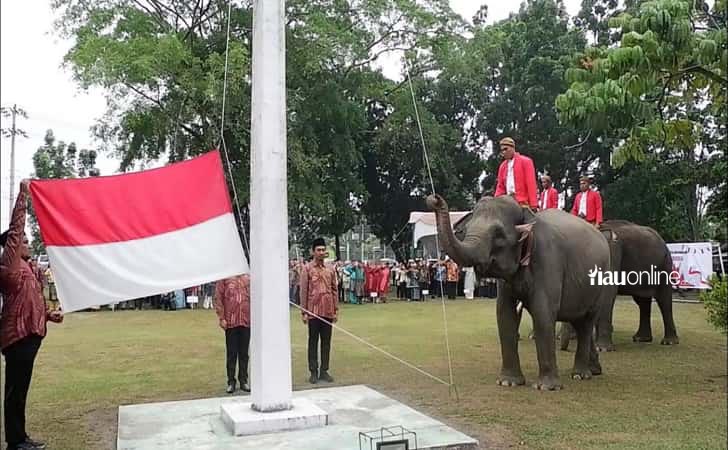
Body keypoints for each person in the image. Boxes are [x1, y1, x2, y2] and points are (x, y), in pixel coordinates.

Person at [1, 180, 64, 450]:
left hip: (32, 336)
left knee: (21, 390)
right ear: (10, 248)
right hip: (17, 337)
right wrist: (23, 196)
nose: (27, 243)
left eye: (27, 241)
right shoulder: (9, 268)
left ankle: (21, 437)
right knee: (15, 390)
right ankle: (15, 441)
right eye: (23, 241)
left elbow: (33, 301)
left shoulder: (29, 268)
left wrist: (49, 315)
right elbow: (15, 231)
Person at [299, 238, 338, 384]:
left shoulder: (330, 269)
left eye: (323, 250)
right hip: (313, 312)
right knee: (313, 341)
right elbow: (303, 291)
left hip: (327, 311)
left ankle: (324, 370)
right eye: (318, 250)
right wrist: (304, 312)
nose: (321, 252)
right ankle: (313, 371)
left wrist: (336, 310)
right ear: (313, 252)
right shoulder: (307, 269)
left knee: (326, 342)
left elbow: (334, 290)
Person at [215, 274, 251, 393]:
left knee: (244, 353)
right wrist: (221, 317)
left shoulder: (248, 277)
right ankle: (231, 381)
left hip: (245, 320)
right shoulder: (225, 277)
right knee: (232, 354)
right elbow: (218, 297)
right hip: (231, 321)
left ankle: (244, 380)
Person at [493, 137, 538, 210]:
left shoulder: (526, 161)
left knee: (531, 220)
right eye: (502, 150)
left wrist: (533, 204)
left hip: (522, 203)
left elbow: (531, 184)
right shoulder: (502, 166)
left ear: (513, 148)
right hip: (506, 202)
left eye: (505, 149)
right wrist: (495, 201)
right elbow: (500, 187)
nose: (503, 152)